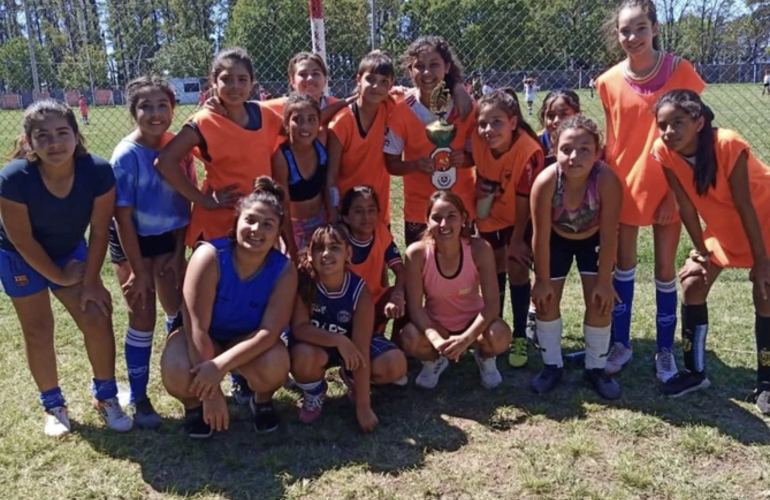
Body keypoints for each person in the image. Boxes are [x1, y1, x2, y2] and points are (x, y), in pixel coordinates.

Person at [0, 100, 132, 436]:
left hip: (69, 251)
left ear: (76, 135)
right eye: (42, 136)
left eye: (62, 133)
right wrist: (58, 276)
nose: (54, 142)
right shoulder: (13, 178)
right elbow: (23, 242)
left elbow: (101, 230)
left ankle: (105, 397)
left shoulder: (98, 171)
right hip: (19, 256)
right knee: (38, 329)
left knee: (97, 315)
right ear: (29, 141)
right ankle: (53, 405)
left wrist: (90, 282)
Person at [597, 0, 706, 382]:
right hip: (625, 188)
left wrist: (676, 195)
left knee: (664, 269)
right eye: (625, 30)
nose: (632, 37)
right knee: (622, 267)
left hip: (669, 189)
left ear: (655, 28)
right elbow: (613, 141)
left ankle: (664, 350)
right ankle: (621, 343)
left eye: (640, 28)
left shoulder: (681, 71)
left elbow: (700, 134)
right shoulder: (607, 81)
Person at [651, 90, 770, 410]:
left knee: (765, 292)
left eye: (678, 123)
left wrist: (762, 263)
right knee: (692, 283)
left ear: (699, 122)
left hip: (764, 224)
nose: (668, 132)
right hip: (725, 231)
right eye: (662, 124)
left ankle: (766, 382)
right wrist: (701, 251)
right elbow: (686, 206)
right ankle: (694, 371)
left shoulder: (727, 144)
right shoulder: (663, 151)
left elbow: (746, 206)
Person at [160, 177, 296, 438]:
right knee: (176, 368)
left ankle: (262, 400)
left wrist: (219, 367)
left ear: (277, 233)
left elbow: (269, 332)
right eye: (250, 220)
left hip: (245, 338)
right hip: (202, 337)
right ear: (236, 223)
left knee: (275, 364)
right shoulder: (209, 256)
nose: (257, 229)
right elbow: (195, 325)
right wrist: (210, 392)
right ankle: (194, 407)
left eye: (268, 224)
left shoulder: (284, 270)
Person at [109, 76, 197, 429]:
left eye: (163, 105)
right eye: (146, 106)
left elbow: (183, 202)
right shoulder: (125, 156)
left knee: (178, 307)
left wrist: (178, 253)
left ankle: (181, 372)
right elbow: (123, 218)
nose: (155, 113)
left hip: (169, 239)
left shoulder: (177, 146)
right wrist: (138, 269)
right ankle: (140, 397)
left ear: (173, 109)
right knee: (141, 314)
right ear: (133, 111)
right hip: (133, 243)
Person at [529, 116, 623, 399]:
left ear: (598, 152)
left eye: (585, 149)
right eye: (566, 148)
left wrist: (605, 282)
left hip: (592, 240)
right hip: (555, 240)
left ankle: (596, 367)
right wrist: (542, 280)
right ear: (554, 150)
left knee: (600, 300)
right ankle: (552, 366)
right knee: (545, 300)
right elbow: (540, 235)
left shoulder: (606, 180)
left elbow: (609, 235)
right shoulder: (546, 182)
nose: (575, 156)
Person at [155, 47, 283, 247]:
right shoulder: (204, 121)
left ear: (252, 84)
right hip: (219, 223)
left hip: (257, 221)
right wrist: (204, 200)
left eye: (242, 79)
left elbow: (300, 122)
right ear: (213, 83)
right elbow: (164, 161)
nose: (235, 86)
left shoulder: (265, 114)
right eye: (227, 79)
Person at [289, 224, 407, 429]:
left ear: (348, 253)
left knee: (394, 365)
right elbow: (299, 328)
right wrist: (338, 340)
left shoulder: (359, 291)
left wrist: (363, 407)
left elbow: (361, 346)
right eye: (318, 248)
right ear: (309, 254)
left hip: (353, 348)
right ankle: (315, 391)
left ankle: (351, 376)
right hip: (319, 345)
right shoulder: (304, 283)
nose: (326, 254)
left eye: (334, 247)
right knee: (302, 358)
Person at [399, 191, 511, 389]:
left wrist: (466, 339)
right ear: (427, 221)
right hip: (436, 324)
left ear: (464, 218)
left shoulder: (480, 249)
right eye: (436, 218)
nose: (444, 225)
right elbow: (415, 308)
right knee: (409, 337)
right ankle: (434, 361)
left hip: (473, 324)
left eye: (451, 216)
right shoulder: (416, 253)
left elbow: (492, 305)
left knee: (501, 335)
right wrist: (436, 340)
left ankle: (485, 359)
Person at [471, 89, 544, 369]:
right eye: (483, 123)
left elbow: (526, 205)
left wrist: (518, 242)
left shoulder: (528, 150)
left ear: (513, 122)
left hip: (520, 219)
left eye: (497, 122)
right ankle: (495, 328)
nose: (489, 129)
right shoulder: (479, 141)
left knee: (516, 266)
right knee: (493, 268)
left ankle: (520, 335)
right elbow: (471, 160)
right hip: (490, 217)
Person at [384, 36, 477, 246]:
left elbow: (476, 156)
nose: (426, 72)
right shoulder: (400, 110)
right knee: (420, 270)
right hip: (420, 210)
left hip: (461, 206)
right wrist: (415, 165)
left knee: (463, 269)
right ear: (410, 71)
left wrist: (464, 159)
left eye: (434, 65)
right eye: (419, 66)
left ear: (447, 67)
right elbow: (391, 162)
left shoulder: (465, 107)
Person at [327, 50, 397, 224]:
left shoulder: (390, 107)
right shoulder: (342, 122)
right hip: (349, 213)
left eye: (383, 82)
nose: (376, 87)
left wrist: (457, 88)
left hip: (377, 211)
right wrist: (335, 213)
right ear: (358, 79)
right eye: (370, 79)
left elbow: (421, 93)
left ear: (391, 85)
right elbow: (331, 177)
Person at [340, 186, 406, 337]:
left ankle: (396, 342)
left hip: (374, 303)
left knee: (408, 290)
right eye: (358, 211)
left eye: (371, 210)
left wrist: (397, 295)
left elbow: (400, 270)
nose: (366, 217)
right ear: (345, 217)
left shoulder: (380, 231)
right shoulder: (337, 239)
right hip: (345, 310)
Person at [271, 93, 328, 259]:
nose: (305, 127)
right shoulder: (282, 157)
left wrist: (348, 100)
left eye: (311, 120)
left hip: (321, 218)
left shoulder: (321, 142)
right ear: (287, 123)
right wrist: (291, 246)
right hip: (296, 226)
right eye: (297, 120)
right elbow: (284, 207)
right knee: (299, 275)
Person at [539, 90, 581, 168]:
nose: (556, 121)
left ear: (578, 116)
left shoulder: (587, 143)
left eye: (564, 114)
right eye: (550, 115)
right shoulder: (536, 144)